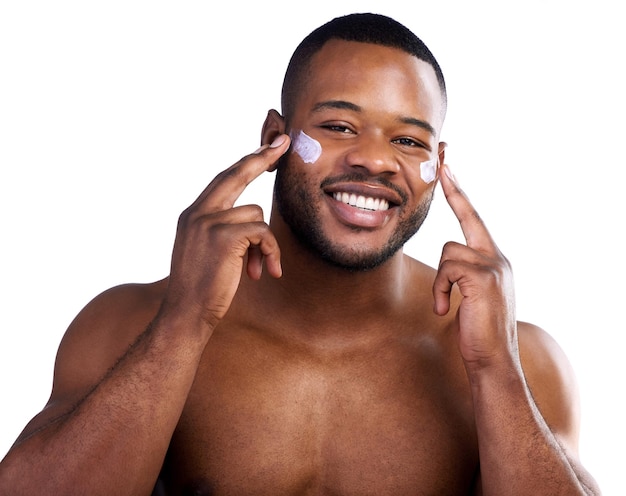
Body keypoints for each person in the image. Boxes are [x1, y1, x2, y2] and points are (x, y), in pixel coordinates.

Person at [0, 12, 600, 496]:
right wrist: (182, 324)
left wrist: (495, 370)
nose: (376, 159)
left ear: (438, 164)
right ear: (274, 139)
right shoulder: (131, 322)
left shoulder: (520, 361)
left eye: (410, 140)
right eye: (340, 126)